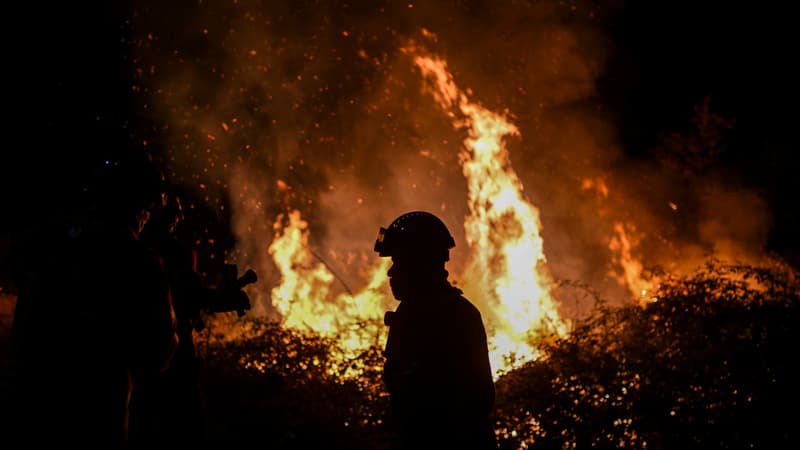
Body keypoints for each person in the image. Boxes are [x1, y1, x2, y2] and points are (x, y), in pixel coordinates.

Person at [8, 149, 178, 445]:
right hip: (98, 418)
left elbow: (24, 332)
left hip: (33, 411)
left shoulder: (55, 248)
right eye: (148, 209)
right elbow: (157, 353)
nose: (148, 218)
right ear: (141, 206)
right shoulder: (138, 262)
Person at [132, 188, 255, 443]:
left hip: (163, 360)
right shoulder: (147, 257)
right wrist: (216, 299)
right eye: (169, 215)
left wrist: (214, 299)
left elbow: (189, 298)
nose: (175, 221)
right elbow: (182, 298)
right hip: (163, 364)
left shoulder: (165, 253)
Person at [374, 211, 498, 449]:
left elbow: (475, 399)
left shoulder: (452, 315)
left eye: (398, 262)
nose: (391, 272)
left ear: (420, 263)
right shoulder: (412, 314)